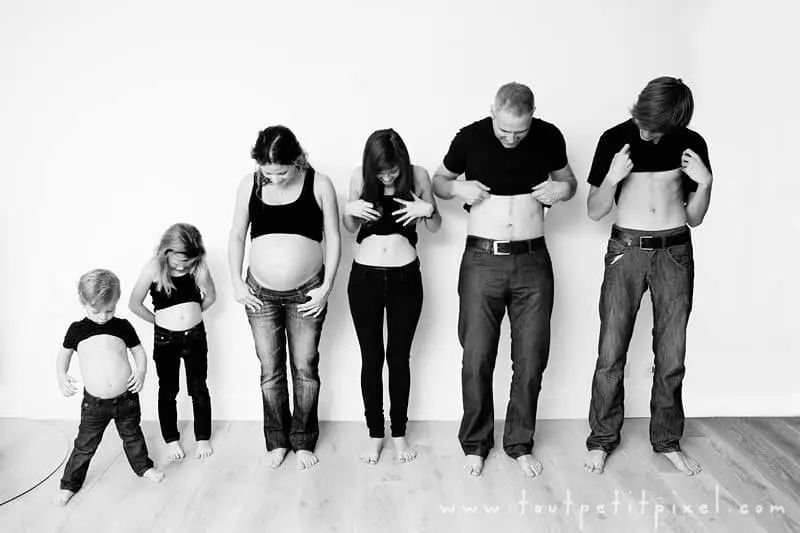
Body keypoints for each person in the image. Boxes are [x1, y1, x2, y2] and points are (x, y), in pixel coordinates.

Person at [432, 82, 576, 477]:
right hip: (482, 259)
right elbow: (438, 183)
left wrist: (561, 190)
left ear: (532, 117)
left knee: (530, 358)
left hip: (533, 260)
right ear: (492, 112)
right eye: (504, 130)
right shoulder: (470, 137)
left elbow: (571, 183)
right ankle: (476, 443)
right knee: (477, 356)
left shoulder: (549, 136)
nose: (511, 138)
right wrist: (457, 186)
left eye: (520, 131)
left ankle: (519, 442)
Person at [583, 76, 712, 476]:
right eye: (643, 122)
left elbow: (695, 217)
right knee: (611, 352)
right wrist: (612, 177)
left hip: (674, 252)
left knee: (672, 356)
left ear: (674, 124)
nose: (646, 133)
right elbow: (594, 210)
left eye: (655, 130)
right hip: (626, 251)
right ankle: (602, 440)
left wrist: (706, 182)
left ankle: (667, 440)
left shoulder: (692, 144)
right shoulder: (613, 140)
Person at [228, 125, 340, 470]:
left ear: (297, 160)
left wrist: (326, 287)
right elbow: (236, 237)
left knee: (305, 368)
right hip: (259, 292)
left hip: (307, 291)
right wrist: (236, 282)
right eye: (267, 172)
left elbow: (334, 239)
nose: (273, 179)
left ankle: (303, 440)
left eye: (280, 172)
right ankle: (277, 440)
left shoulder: (319, 184)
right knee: (270, 370)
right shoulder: (250, 183)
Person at [343, 129, 441, 465]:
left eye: (393, 170)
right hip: (365, 279)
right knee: (371, 359)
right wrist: (350, 207)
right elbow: (349, 227)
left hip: (405, 277)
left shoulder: (419, 176)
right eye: (381, 172)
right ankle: (375, 434)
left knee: (399, 358)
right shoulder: (359, 177)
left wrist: (428, 209)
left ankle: (398, 433)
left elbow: (435, 226)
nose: (388, 177)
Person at [55, 269, 164, 505]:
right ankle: (69, 484)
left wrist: (141, 372)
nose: (104, 317)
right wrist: (62, 376)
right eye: (96, 311)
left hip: (126, 398)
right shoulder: (77, 330)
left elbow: (138, 352)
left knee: (133, 436)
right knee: (84, 445)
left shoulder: (122, 326)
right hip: (94, 404)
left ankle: (143, 467)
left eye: (110, 310)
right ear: (83, 303)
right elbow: (63, 356)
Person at [129, 223, 217, 460]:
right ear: (166, 250)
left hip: (195, 336)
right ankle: (171, 438)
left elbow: (211, 296)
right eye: (178, 260)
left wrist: (193, 315)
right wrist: (160, 322)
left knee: (198, 387)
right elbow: (134, 304)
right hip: (166, 339)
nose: (181, 266)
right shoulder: (153, 269)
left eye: (187, 262)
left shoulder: (198, 267)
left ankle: (202, 437)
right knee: (168, 389)